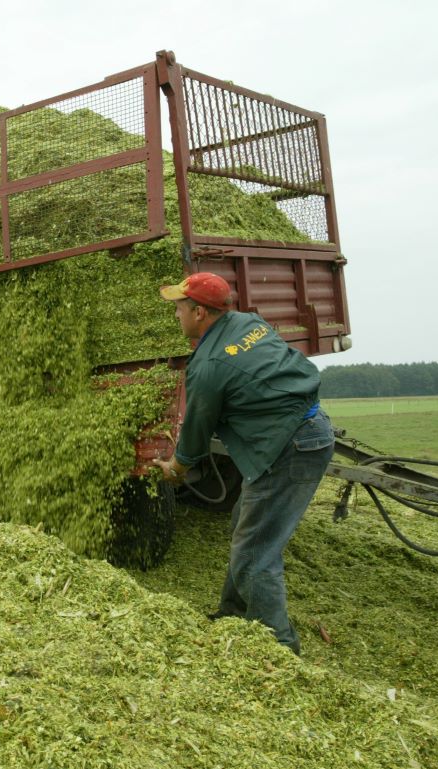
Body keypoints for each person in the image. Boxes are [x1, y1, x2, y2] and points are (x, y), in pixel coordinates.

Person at [152, 272, 333, 655]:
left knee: (256, 550)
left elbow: (196, 432)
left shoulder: (208, 366)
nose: (177, 316)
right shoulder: (249, 322)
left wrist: (177, 469)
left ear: (200, 312)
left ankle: (279, 648)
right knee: (245, 527)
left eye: (180, 309)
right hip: (308, 427)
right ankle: (234, 612)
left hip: (288, 447)